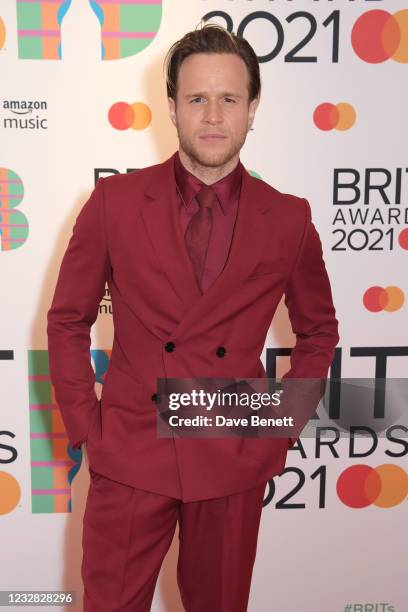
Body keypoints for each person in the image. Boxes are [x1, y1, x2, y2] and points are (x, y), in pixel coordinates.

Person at [47, 23, 339, 612]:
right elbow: (66, 322)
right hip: (130, 450)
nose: (213, 115)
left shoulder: (287, 218)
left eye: (229, 99)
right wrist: (88, 428)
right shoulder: (114, 203)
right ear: (172, 107)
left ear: (252, 109)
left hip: (232, 449)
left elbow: (319, 330)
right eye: (197, 99)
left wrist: (277, 428)